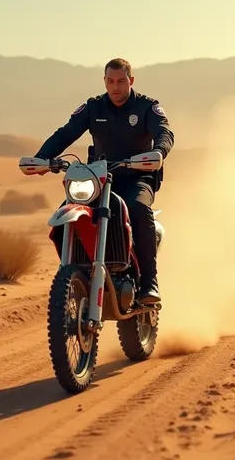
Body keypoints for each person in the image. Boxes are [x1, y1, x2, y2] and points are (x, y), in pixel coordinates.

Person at [34, 57, 174, 304]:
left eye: (121, 81)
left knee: (139, 209)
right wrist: (42, 158)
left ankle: (149, 281)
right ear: (104, 81)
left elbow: (164, 131)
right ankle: (74, 272)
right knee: (63, 213)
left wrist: (159, 152)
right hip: (97, 179)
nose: (116, 87)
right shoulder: (93, 107)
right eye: (110, 81)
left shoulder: (146, 107)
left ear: (130, 80)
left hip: (136, 177)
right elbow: (66, 132)